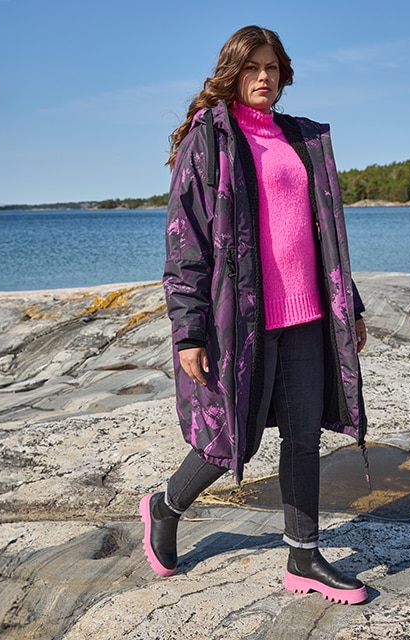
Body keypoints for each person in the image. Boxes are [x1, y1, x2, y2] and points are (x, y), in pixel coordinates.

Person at [140, 24, 369, 605]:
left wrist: (351, 305)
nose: (263, 78)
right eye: (251, 68)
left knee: (303, 436)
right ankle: (166, 505)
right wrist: (188, 329)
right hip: (238, 321)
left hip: (308, 316)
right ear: (232, 73)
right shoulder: (209, 140)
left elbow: (326, 236)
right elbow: (185, 240)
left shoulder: (299, 138)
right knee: (231, 439)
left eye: (271, 68)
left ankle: (304, 556)